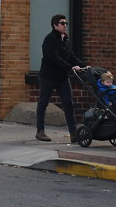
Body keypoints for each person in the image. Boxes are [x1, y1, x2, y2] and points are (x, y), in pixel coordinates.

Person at [35, 14, 87, 142]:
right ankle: (40, 131)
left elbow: (71, 56)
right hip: (48, 76)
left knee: (69, 103)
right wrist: (70, 67)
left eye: (66, 23)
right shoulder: (50, 39)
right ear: (55, 25)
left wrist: (84, 65)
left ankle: (74, 133)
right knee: (43, 102)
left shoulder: (65, 39)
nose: (65, 25)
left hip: (62, 77)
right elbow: (54, 57)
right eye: (62, 23)